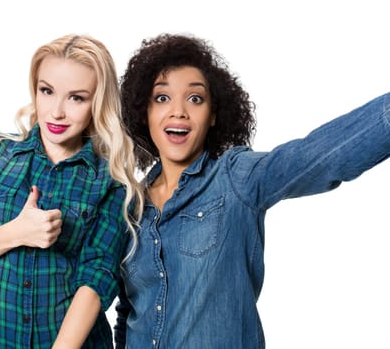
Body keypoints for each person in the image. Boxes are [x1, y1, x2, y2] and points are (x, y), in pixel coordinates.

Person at [114, 33, 390, 348]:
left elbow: (320, 158)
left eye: (195, 98)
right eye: (162, 98)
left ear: (214, 114)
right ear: (143, 113)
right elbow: (129, 312)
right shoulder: (129, 207)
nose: (178, 111)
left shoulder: (236, 178)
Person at [0, 34, 143, 349]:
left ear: (97, 101)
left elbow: (96, 281)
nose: (57, 111)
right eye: (47, 91)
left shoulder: (111, 180)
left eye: (76, 97)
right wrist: (17, 232)